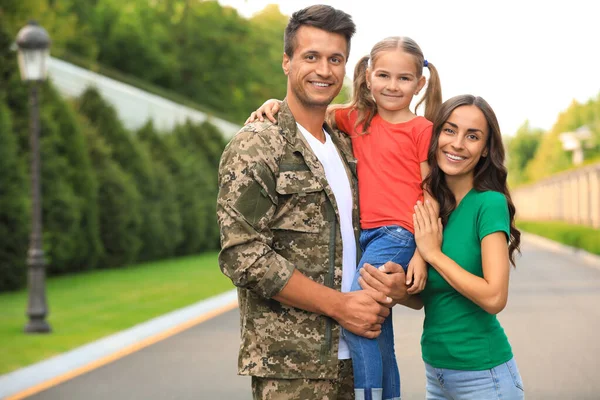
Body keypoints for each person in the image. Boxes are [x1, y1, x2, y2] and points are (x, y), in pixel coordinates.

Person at [217, 5, 405, 400]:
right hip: (293, 370)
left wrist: (397, 279)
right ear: (286, 62)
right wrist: (340, 306)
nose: (324, 70)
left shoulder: (349, 145)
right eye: (311, 57)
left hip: (359, 357)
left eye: (335, 59)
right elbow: (243, 255)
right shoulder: (257, 144)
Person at [246, 36, 442, 400]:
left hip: (398, 235)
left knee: (359, 315)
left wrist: (422, 253)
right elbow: (307, 110)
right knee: (378, 324)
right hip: (368, 233)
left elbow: (432, 194)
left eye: (403, 79)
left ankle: (368, 394)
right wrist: (274, 103)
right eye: (383, 75)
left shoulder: (422, 130)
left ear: (420, 83)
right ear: (368, 76)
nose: (392, 86)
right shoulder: (357, 118)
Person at [361, 94, 525, 399]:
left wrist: (432, 254)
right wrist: (401, 291)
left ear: (486, 149)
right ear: (435, 138)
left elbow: (494, 297)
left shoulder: (488, 204)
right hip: (437, 377)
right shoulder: (433, 207)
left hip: (484, 378)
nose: (458, 143)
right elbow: (432, 299)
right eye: (449, 130)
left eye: (472, 136)